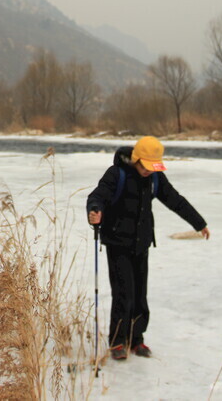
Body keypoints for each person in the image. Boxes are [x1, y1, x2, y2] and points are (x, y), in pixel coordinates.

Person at [86, 136, 210, 360]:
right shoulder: (117, 174)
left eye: (154, 167)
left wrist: (198, 223)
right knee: (123, 294)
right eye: (146, 166)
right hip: (118, 243)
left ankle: (136, 340)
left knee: (140, 295)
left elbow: (175, 201)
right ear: (136, 159)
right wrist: (95, 210)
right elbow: (98, 196)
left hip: (141, 243)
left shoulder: (155, 178)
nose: (149, 171)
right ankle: (117, 342)